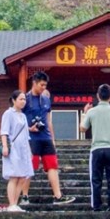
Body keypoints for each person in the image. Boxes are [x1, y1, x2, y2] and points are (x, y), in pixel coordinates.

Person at [20, 71, 75, 206]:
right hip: (31, 138)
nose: (43, 88)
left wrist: (53, 139)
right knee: (29, 168)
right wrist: (28, 128)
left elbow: (48, 121)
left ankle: (58, 196)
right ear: (34, 83)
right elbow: (17, 120)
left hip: (45, 138)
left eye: (45, 85)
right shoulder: (24, 99)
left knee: (52, 166)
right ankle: (24, 196)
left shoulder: (45, 99)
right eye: (41, 85)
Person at [80, 84, 110, 211]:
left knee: (96, 179)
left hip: (96, 149)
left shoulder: (92, 112)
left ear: (97, 96)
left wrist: (85, 113)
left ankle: (96, 205)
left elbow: (83, 128)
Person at [0, 90, 31, 212]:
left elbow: (26, 135)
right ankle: (11, 203)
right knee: (14, 176)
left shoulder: (23, 116)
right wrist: (5, 146)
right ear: (14, 100)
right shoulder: (8, 114)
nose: (23, 101)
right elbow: (4, 131)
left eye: (24, 99)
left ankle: (16, 203)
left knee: (22, 176)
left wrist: (29, 150)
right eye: (21, 99)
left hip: (23, 148)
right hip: (13, 148)